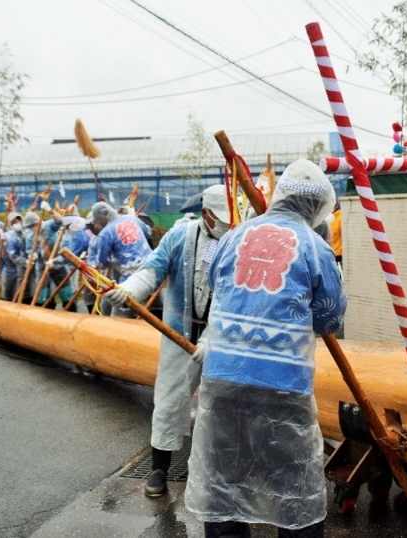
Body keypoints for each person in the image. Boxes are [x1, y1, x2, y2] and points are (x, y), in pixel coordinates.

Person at [184, 159, 347, 538]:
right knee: (295, 488)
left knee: (224, 483)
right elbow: (330, 319)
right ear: (317, 208)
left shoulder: (231, 238)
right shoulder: (315, 247)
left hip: (223, 377)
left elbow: (215, 288)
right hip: (282, 384)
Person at [105, 184, 231, 498]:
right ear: (206, 214)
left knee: (220, 406)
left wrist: (214, 339)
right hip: (178, 332)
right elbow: (152, 269)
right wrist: (130, 291)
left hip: (222, 338)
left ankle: (216, 471)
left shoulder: (238, 241)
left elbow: (238, 297)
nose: (229, 225)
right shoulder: (180, 236)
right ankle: (160, 468)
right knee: (170, 402)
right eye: (223, 219)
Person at [91, 202, 152, 317]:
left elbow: (103, 262)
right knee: (155, 308)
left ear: (103, 216)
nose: (97, 224)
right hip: (151, 269)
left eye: (97, 221)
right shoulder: (132, 218)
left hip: (130, 276)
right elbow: (148, 232)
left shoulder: (105, 233)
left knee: (121, 314)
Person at [1, 213, 27, 301]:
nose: (17, 224)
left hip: (34, 264)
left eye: (17, 221)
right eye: (13, 223)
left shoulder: (28, 231)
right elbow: (14, 256)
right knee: (22, 290)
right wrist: (25, 261)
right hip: (22, 267)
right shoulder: (11, 238)